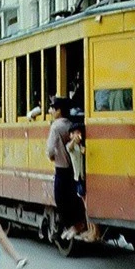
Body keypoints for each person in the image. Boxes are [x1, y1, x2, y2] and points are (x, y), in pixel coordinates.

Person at [46, 97, 84, 240]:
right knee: (73, 198)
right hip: (73, 168)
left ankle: (70, 225)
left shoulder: (56, 126)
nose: (50, 111)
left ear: (59, 110)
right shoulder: (70, 124)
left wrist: (51, 156)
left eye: (52, 108)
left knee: (60, 198)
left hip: (61, 167)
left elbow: (50, 149)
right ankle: (76, 224)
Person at [64, 123, 98, 241]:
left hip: (82, 177)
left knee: (87, 204)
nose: (78, 135)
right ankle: (91, 230)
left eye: (79, 133)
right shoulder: (71, 146)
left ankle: (93, 230)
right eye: (75, 133)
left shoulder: (80, 146)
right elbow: (69, 147)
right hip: (78, 177)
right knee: (85, 204)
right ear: (71, 135)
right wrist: (74, 140)